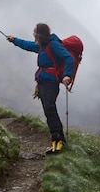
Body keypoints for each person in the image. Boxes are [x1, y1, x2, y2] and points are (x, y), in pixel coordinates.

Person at [7, 23, 74, 154]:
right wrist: (14, 40)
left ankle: (58, 139)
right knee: (49, 110)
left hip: (50, 82)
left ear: (39, 33)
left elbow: (68, 58)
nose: (33, 34)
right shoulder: (43, 45)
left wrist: (67, 75)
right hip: (43, 81)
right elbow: (28, 45)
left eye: (34, 32)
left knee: (49, 109)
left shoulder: (52, 45)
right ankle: (56, 139)